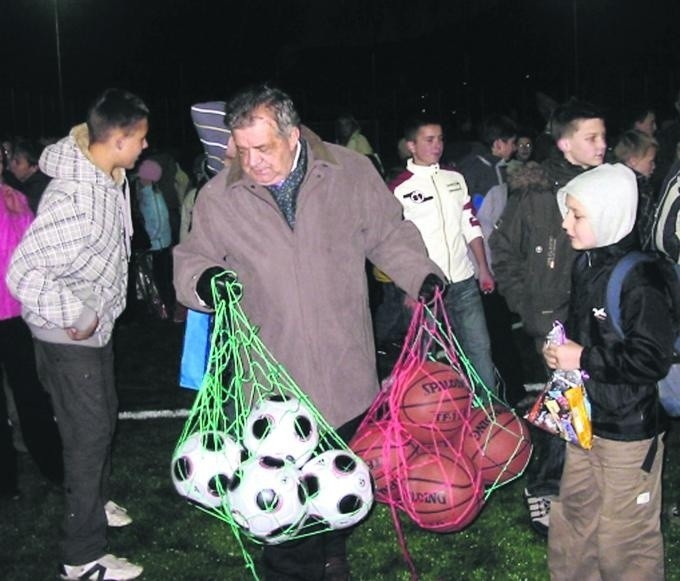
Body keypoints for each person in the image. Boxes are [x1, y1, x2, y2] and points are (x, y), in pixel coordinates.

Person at [173, 84, 443, 581]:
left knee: (333, 489)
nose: (250, 161)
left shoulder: (349, 172)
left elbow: (388, 233)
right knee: (281, 514)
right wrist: (205, 280)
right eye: (242, 148)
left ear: (293, 135)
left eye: (263, 148)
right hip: (271, 390)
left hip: (345, 372)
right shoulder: (219, 197)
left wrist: (420, 275)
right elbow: (192, 259)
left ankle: (330, 552)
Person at [7, 88, 148, 580]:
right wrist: (79, 312)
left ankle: (95, 502)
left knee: (100, 420)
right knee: (87, 437)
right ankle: (82, 556)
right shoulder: (75, 198)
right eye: (141, 140)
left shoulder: (109, 177)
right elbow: (22, 273)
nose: (145, 148)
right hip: (70, 336)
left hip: (92, 328)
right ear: (119, 139)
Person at [545, 163, 673, 580]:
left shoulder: (642, 278)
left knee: (625, 540)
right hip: (584, 419)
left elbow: (650, 360)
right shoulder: (586, 264)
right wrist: (559, 352)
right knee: (575, 518)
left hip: (628, 431)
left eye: (576, 215)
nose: (566, 224)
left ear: (609, 216)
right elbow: (586, 336)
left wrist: (582, 358)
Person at [490, 99, 606, 536]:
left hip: (594, 315)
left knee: (590, 406)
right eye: (591, 137)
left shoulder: (605, 185)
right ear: (564, 143)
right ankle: (544, 487)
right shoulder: (537, 194)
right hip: (553, 316)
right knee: (560, 404)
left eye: (603, 136)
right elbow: (503, 252)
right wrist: (528, 304)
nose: (602, 145)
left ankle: (582, 485)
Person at [385, 115, 497, 393]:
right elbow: (393, 243)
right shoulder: (399, 188)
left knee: (479, 349)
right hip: (426, 288)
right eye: (429, 140)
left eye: (441, 139)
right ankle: (421, 419)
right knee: (422, 356)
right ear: (411, 145)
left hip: (463, 282)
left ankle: (492, 416)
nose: (437, 145)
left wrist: (483, 268)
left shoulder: (455, 178)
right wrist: (409, 286)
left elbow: (469, 224)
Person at [0, 153, 63, 500]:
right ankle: (6, 482)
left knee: (30, 394)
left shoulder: (16, 199)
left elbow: (32, 255)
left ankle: (52, 465)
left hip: (14, 315)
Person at [457, 114, 526, 404]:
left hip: (485, 264)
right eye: (510, 143)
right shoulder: (481, 174)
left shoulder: (489, 168)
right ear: (498, 144)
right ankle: (506, 394)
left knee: (494, 332)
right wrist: (487, 265)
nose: (513, 148)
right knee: (493, 334)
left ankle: (505, 390)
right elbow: (478, 223)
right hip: (480, 268)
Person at [135, 158, 175, 319]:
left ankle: (165, 309)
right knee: (161, 279)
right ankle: (163, 308)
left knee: (160, 280)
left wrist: (150, 239)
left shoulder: (151, 196)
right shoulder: (150, 193)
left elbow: (158, 221)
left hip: (157, 246)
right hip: (160, 244)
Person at [614, 129, 659, 248]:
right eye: (651, 161)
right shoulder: (641, 189)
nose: (654, 166)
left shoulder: (612, 181)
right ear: (633, 161)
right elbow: (646, 230)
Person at [7, 139, 51, 213]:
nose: (11, 164)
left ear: (34, 168)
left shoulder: (33, 194)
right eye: (12, 159)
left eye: (17, 162)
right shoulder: (22, 184)